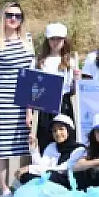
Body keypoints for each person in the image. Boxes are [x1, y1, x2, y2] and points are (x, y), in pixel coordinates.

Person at [0, 2, 36, 197]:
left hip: (26, 99)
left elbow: (32, 71)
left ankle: (21, 182)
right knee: (3, 146)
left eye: (17, 15)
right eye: (9, 15)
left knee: (26, 144)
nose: (13, 19)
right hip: (4, 100)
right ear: (2, 17)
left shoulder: (27, 40)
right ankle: (4, 189)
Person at [35, 22, 77, 153]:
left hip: (63, 103)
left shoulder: (71, 60)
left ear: (64, 40)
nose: (55, 42)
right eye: (52, 39)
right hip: (44, 104)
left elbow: (72, 90)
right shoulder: (39, 61)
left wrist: (77, 80)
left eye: (59, 38)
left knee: (65, 138)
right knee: (45, 137)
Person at [16, 114, 81, 189]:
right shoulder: (52, 146)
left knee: (51, 175)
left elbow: (63, 169)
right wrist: (34, 149)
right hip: (50, 177)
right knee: (26, 176)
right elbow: (41, 165)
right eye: (54, 130)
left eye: (61, 129)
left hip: (67, 182)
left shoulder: (79, 149)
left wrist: (30, 168)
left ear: (69, 130)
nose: (58, 133)